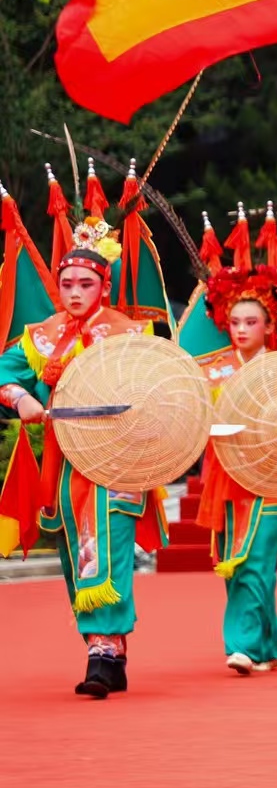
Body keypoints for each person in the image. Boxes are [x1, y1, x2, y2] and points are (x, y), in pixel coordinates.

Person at [0, 208, 165, 698]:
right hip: (65, 459)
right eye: (67, 282)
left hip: (119, 458)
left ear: (104, 285)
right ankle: (101, 644)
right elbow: (4, 374)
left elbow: (161, 388)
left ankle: (105, 657)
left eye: (85, 283)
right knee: (77, 557)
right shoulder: (41, 336)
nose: (74, 291)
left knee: (105, 548)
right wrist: (22, 397)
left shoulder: (131, 334)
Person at [191, 255, 277, 675]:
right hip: (228, 475)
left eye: (250, 322)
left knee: (254, 559)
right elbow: (197, 419)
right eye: (234, 321)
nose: (240, 329)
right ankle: (271, 641)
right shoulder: (213, 372)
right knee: (238, 565)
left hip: (273, 475)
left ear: (270, 326)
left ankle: (244, 645)